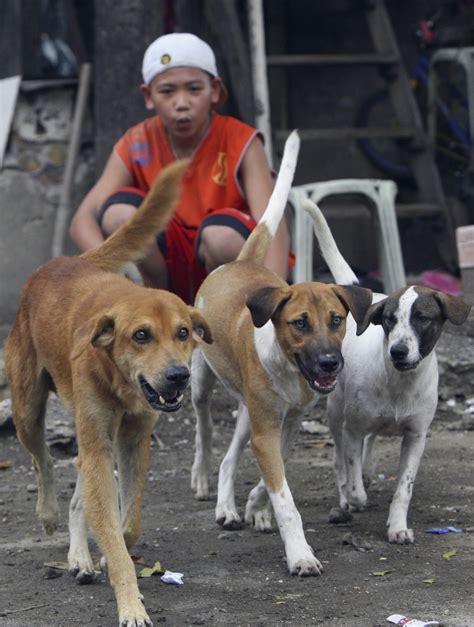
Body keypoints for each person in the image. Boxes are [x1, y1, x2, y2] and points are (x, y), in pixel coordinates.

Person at [69, 32, 292, 304]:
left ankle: (224, 319)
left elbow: (272, 226)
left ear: (215, 91)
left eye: (194, 89)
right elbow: (82, 220)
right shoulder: (136, 142)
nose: (181, 103)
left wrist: (273, 300)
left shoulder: (241, 141)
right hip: (163, 269)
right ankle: (156, 305)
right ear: (148, 95)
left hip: (227, 268)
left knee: (220, 236)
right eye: (167, 91)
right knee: (118, 213)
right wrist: (111, 278)